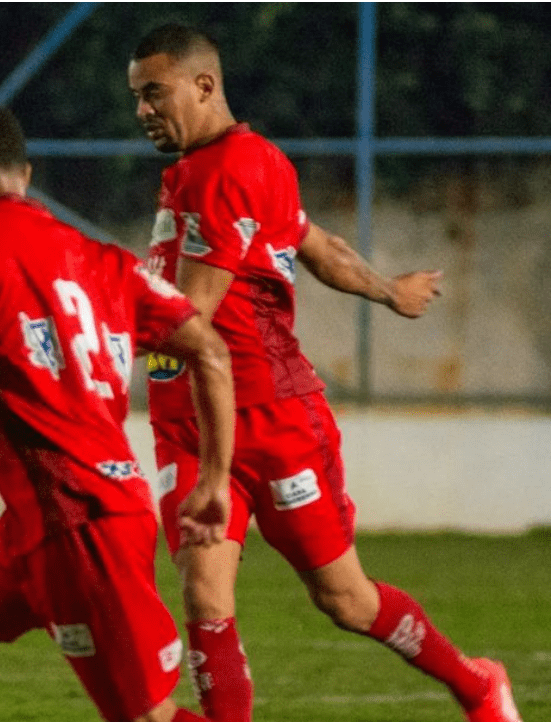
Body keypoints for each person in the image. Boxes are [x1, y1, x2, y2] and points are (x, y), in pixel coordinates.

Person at [128, 23, 519, 722]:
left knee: (346, 599)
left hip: (272, 418)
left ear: (204, 85)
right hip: (186, 421)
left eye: (154, 94)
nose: (142, 112)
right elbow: (312, 242)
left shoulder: (229, 173)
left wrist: (77, 322)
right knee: (203, 596)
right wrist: (388, 289)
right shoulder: (215, 168)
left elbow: (189, 316)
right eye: (137, 97)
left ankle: (475, 682)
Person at [0, 102, 237, 722]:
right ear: (26, 175)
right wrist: (216, 480)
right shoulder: (104, 261)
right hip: (39, 523)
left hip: (81, 521)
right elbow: (212, 351)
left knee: (146, 715)